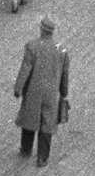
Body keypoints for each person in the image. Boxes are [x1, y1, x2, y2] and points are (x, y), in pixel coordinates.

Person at [12, 16, 70, 167]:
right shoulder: (61, 50)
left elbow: (25, 69)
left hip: (34, 90)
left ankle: (26, 148)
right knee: (47, 123)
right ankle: (42, 157)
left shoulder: (32, 46)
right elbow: (64, 74)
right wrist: (64, 91)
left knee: (30, 118)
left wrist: (18, 88)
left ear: (41, 29)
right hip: (51, 93)